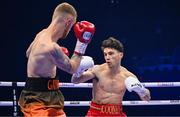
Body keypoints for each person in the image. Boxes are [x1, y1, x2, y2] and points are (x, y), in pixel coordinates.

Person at [18, 2, 95, 117]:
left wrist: (47, 62)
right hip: (37, 101)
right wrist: (81, 43)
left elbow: (28, 53)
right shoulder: (51, 47)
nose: (69, 31)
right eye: (71, 27)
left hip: (52, 95)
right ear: (68, 22)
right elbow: (72, 68)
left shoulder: (41, 34)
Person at [71, 37, 151, 117]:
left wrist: (141, 90)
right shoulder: (97, 70)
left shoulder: (128, 76)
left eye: (111, 53)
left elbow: (146, 99)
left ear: (121, 55)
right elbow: (75, 80)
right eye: (105, 54)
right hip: (96, 113)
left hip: (117, 114)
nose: (107, 57)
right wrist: (79, 70)